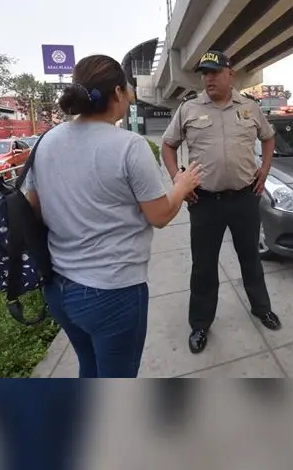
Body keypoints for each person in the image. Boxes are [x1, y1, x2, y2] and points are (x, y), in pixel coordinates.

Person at [23, 54, 203, 378]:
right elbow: (160, 215)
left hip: (59, 289)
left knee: (89, 367)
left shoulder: (45, 141)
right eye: (128, 91)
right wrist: (182, 183)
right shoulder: (129, 146)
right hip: (112, 293)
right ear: (118, 94)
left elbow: (33, 209)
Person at [161, 50, 282, 354]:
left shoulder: (250, 108)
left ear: (231, 73)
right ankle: (200, 324)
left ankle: (261, 308)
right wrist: (179, 179)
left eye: (215, 72)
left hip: (244, 199)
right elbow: (167, 146)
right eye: (205, 73)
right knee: (203, 267)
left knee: (250, 259)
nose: (209, 78)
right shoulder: (188, 109)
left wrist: (264, 171)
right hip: (204, 202)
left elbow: (268, 138)